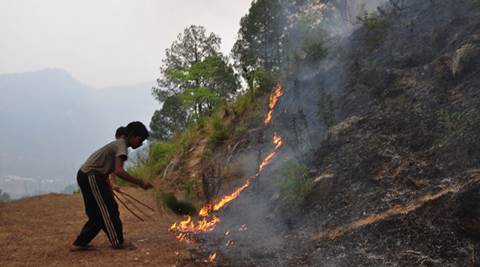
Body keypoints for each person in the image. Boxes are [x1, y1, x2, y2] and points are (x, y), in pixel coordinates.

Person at [71, 121, 153, 251]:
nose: (141, 143)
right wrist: (140, 183)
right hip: (91, 176)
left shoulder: (120, 143)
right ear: (133, 136)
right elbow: (118, 171)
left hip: (90, 175)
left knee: (97, 213)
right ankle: (117, 242)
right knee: (108, 209)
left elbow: (106, 167)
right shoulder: (122, 145)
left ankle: (81, 243)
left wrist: (108, 184)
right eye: (140, 140)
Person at [107, 126, 127, 193]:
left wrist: (113, 184)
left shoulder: (119, 148)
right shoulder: (116, 148)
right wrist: (112, 184)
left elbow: (113, 169)